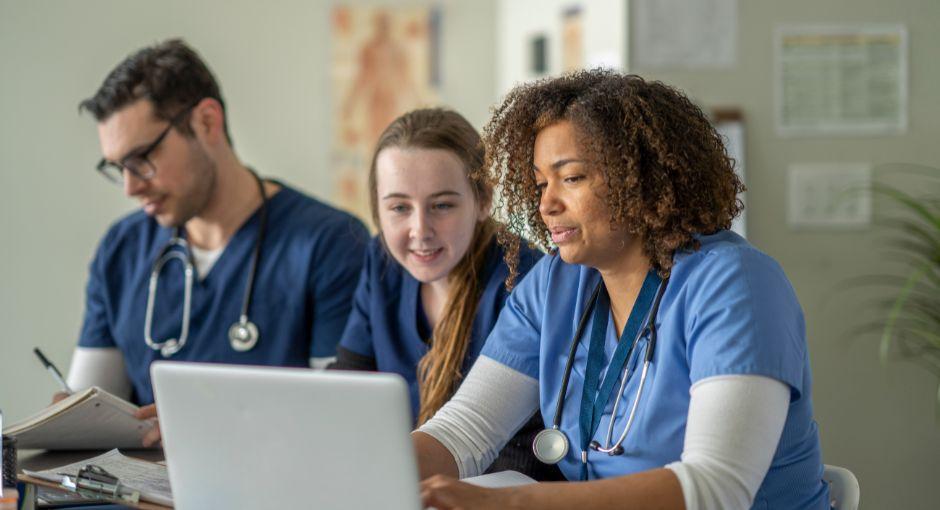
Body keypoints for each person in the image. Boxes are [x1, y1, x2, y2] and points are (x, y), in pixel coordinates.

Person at [412, 70, 830, 509]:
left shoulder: (735, 285)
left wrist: (511, 503)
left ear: (642, 178)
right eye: (540, 183)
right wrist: (369, 470)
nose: (546, 204)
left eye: (570, 178)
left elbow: (716, 488)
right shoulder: (555, 286)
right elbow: (464, 431)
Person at [59, 39, 368, 447]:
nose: (131, 187)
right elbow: (88, 415)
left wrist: (209, 426)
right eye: (118, 168)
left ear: (206, 122)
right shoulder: (122, 248)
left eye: (142, 159)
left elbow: (341, 420)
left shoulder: (329, 243)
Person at [330, 108, 561, 480]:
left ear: (483, 200)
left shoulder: (528, 280)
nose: (420, 230)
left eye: (442, 206)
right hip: (396, 482)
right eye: (399, 207)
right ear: (376, 207)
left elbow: (524, 453)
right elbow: (345, 390)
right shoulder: (382, 262)